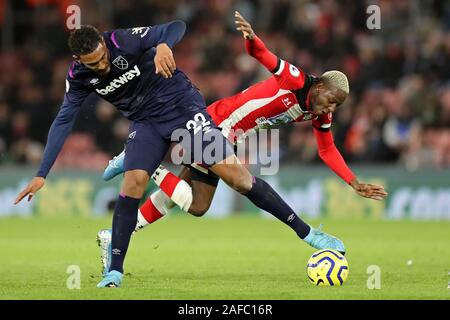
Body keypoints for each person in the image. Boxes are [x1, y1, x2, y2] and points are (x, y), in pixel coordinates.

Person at [14, 19, 348, 288]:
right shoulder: (79, 77)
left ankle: (310, 234)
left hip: (184, 109)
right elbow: (63, 120)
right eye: (93, 63)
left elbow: (175, 27)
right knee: (132, 185)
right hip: (145, 123)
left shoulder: (121, 41)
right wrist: (42, 172)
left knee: (240, 180)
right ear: (79, 61)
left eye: (102, 57)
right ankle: (114, 272)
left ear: (104, 43)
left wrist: (161, 44)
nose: (102, 65)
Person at [96, 12, 388, 275]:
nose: (331, 110)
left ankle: (118, 229)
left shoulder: (318, 112)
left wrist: (353, 182)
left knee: (194, 203)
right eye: (332, 101)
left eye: (337, 107)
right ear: (320, 87)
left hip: (228, 134)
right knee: (243, 183)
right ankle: (308, 234)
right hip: (214, 124)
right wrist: (251, 38)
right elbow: (266, 57)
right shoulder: (298, 80)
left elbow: (326, 149)